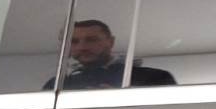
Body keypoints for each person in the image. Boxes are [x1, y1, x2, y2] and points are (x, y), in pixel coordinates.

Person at [43, 19, 176, 90]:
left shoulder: (155, 77)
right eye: (74, 42)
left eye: (91, 40)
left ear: (111, 42)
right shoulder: (56, 85)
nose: (82, 47)